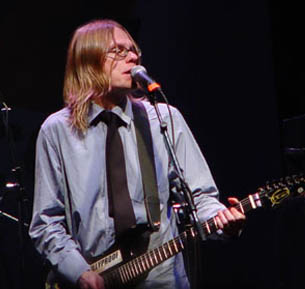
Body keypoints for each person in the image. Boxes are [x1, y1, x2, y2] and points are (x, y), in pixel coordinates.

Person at [28, 19, 246, 289]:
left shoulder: (162, 118)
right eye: (118, 51)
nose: (132, 56)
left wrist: (221, 220)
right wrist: (79, 272)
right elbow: (46, 222)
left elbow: (199, 196)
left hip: (161, 276)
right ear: (88, 60)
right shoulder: (58, 130)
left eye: (133, 50)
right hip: (94, 276)